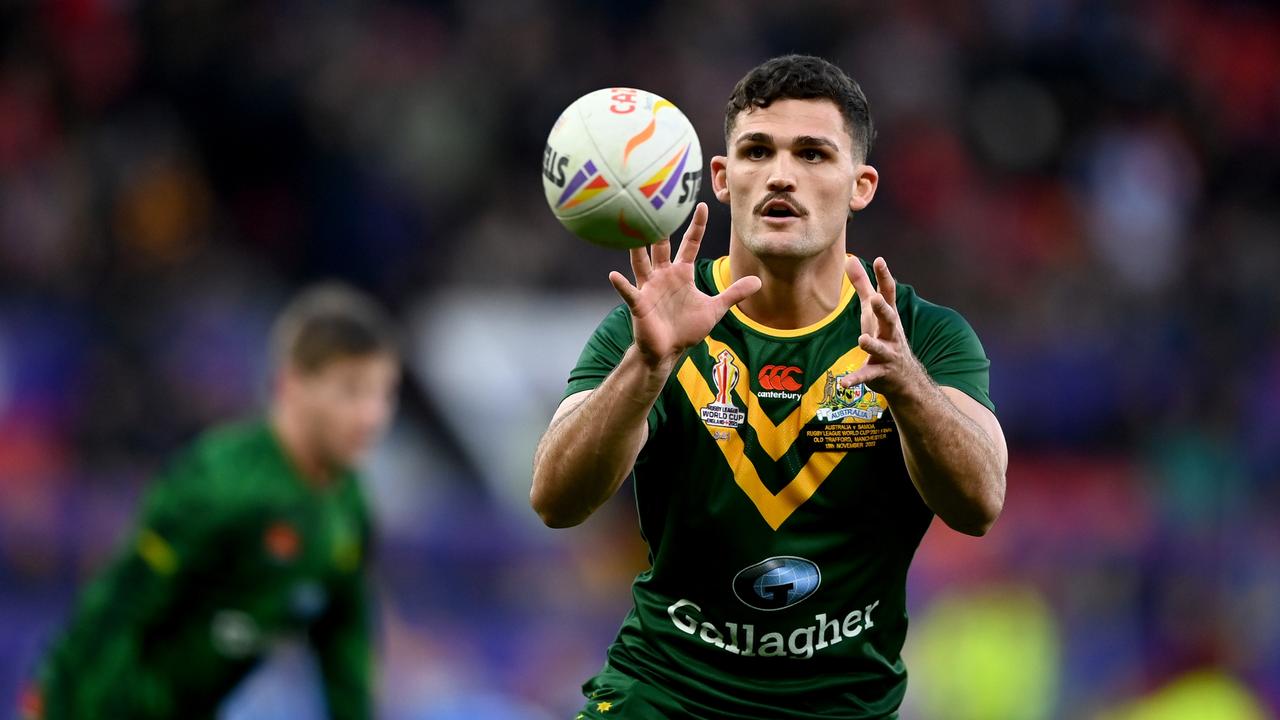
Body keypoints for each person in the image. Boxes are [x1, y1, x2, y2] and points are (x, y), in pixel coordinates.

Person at [531, 55, 1008, 719]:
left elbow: (980, 503)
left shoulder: (922, 337)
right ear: (723, 179)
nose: (782, 174)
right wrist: (646, 369)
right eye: (758, 151)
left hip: (841, 709)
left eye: (813, 154)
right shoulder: (652, 328)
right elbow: (555, 499)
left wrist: (906, 387)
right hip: (665, 697)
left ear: (860, 185)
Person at [26, 283, 400, 720]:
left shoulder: (348, 507)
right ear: (292, 385)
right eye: (351, 391)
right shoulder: (222, 484)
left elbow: (344, 643)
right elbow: (118, 607)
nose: (372, 416)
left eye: (384, 394)